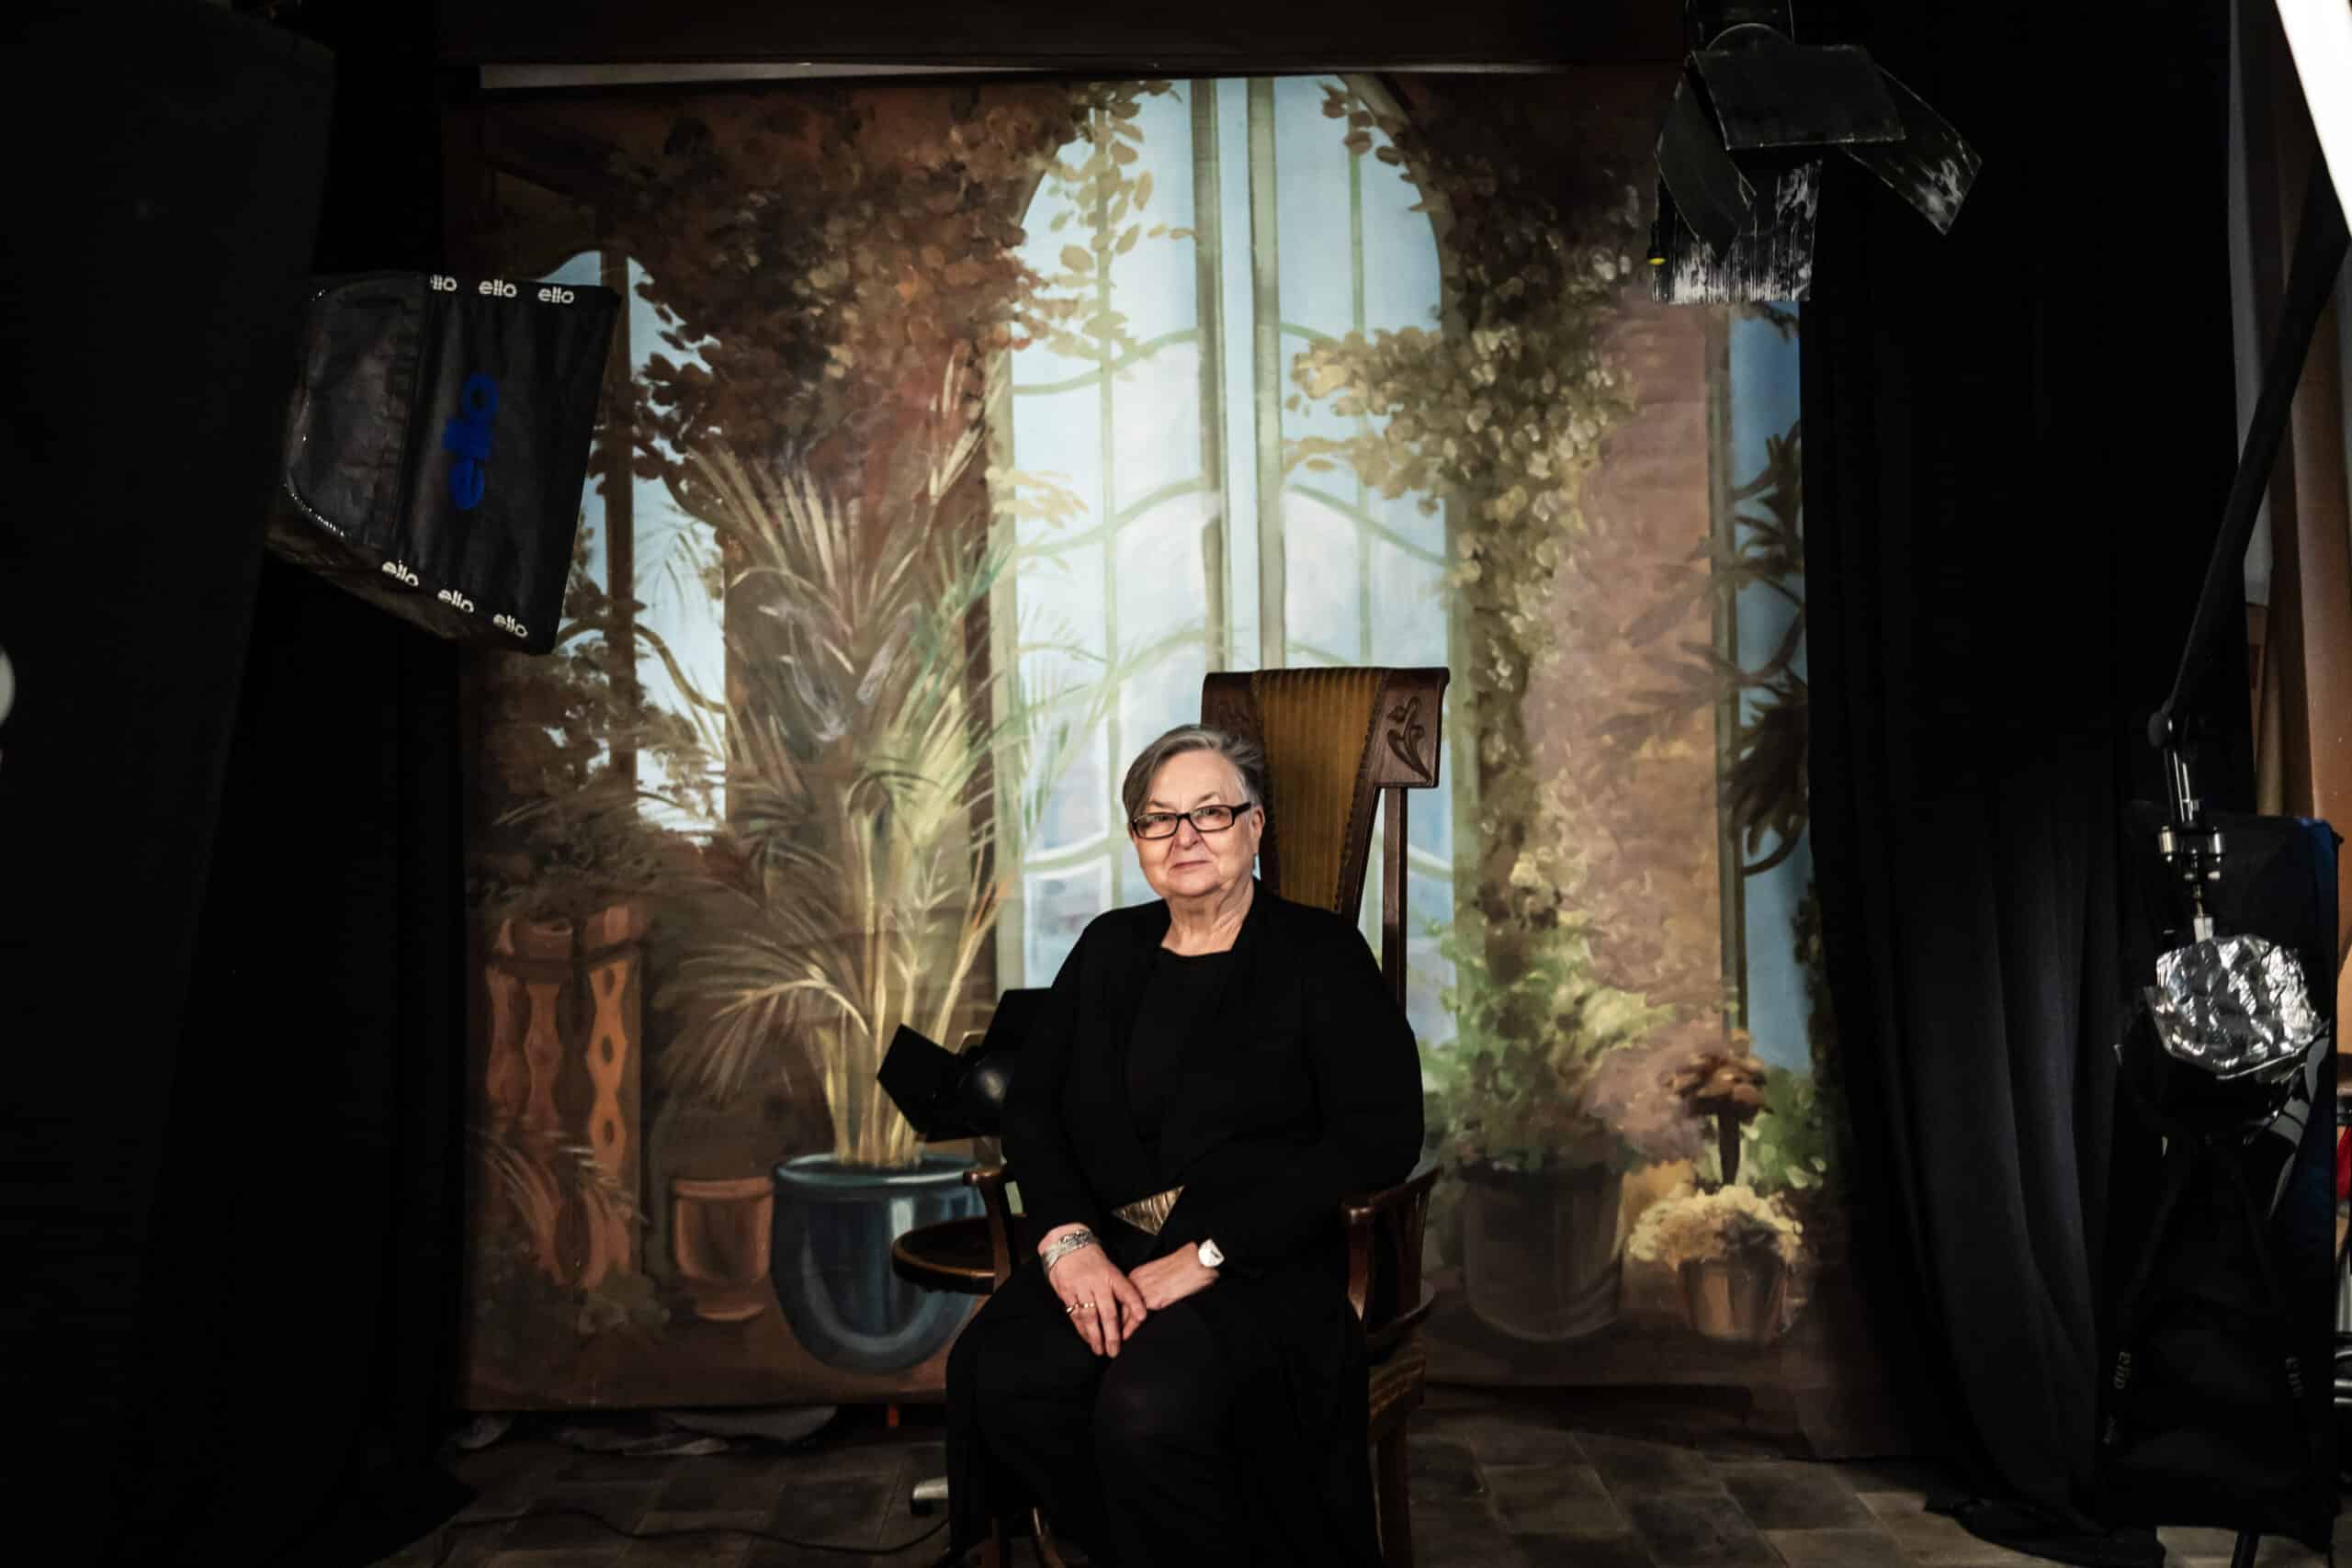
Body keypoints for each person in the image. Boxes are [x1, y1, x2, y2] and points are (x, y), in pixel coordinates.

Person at [944, 724, 1423, 1567]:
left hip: (1265, 1264)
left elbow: (1379, 1134)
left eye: (1210, 812)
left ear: (1255, 825)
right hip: (1113, 1251)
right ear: (1137, 840)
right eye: (1159, 819)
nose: (1184, 836)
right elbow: (1033, 1107)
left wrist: (1211, 1253)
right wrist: (1068, 1243)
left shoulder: (1320, 954)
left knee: (1149, 1403)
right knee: (1002, 1374)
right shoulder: (1107, 948)